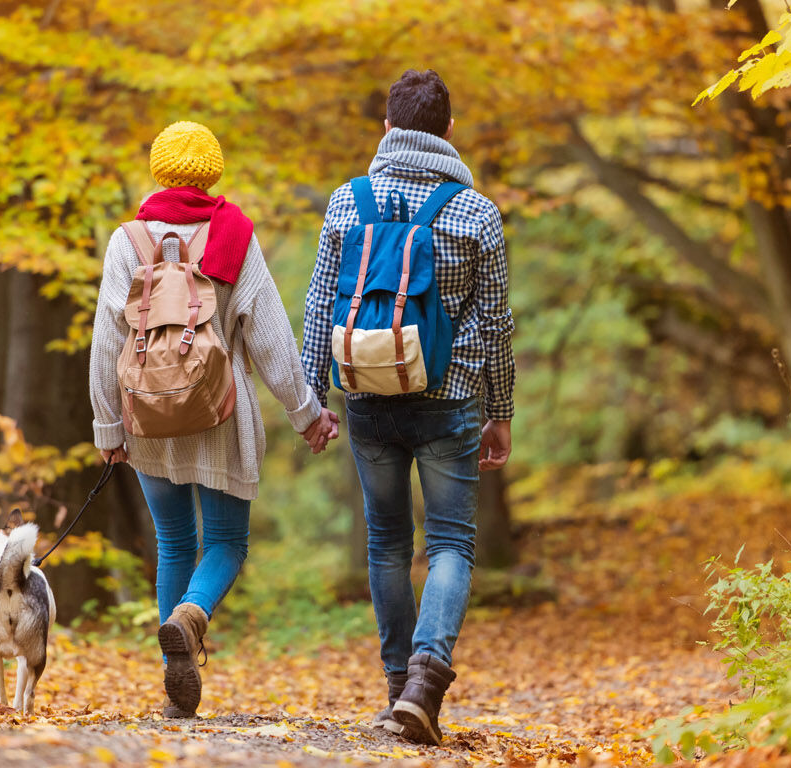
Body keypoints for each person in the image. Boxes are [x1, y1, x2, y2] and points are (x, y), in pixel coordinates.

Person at [88, 121, 339, 719]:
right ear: (213, 173)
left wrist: (107, 425)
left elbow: (106, 341)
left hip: (147, 415)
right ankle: (190, 618)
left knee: (175, 541)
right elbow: (273, 338)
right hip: (220, 413)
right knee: (226, 542)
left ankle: (175, 673)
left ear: (159, 171)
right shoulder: (234, 235)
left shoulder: (127, 241)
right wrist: (307, 414)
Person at [300, 70, 515, 746]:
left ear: (387, 129)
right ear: (449, 132)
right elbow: (496, 323)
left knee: (386, 542)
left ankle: (399, 690)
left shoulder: (346, 202)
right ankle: (427, 682)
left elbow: (316, 304)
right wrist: (500, 409)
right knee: (450, 540)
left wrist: (314, 399)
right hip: (449, 399)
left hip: (366, 395)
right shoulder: (475, 211)